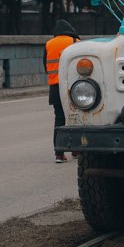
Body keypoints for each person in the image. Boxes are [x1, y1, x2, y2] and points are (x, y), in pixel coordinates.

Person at [45, 19, 80, 163]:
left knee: (59, 119)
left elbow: (46, 66)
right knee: (76, 119)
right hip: (73, 87)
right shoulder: (75, 41)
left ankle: (59, 153)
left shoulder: (49, 44)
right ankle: (76, 149)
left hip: (55, 87)